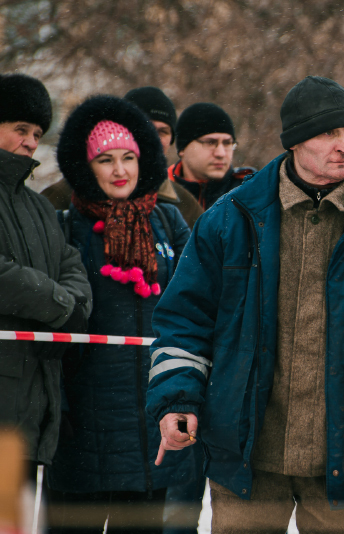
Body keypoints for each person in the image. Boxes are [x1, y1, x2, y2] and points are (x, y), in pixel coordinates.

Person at [146, 75, 344, 533]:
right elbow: (185, 320)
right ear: (294, 142)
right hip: (246, 457)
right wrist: (178, 398)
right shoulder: (230, 219)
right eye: (328, 133)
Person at [46, 95, 191, 534]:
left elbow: (195, 307)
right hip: (83, 425)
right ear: (86, 166)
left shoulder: (168, 221)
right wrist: (59, 406)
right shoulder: (65, 226)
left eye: (128, 158)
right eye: (105, 160)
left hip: (151, 419)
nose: (119, 170)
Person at [0, 73, 92, 472]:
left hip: (31, 411)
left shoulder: (39, 207)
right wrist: (60, 308)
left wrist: (73, 311)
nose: (31, 142)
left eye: (37, 133)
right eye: (21, 129)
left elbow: (71, 265)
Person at [41, 86, 204, 229]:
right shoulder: (64, 195)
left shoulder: (184, 204)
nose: (154, 139)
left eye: (163, 132)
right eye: (146, 129)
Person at [168, 102, 254, 209]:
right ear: (182, 148)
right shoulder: (156, 194)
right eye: (210, 142)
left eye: (227, 143)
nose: (221, 153)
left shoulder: (251, 190)